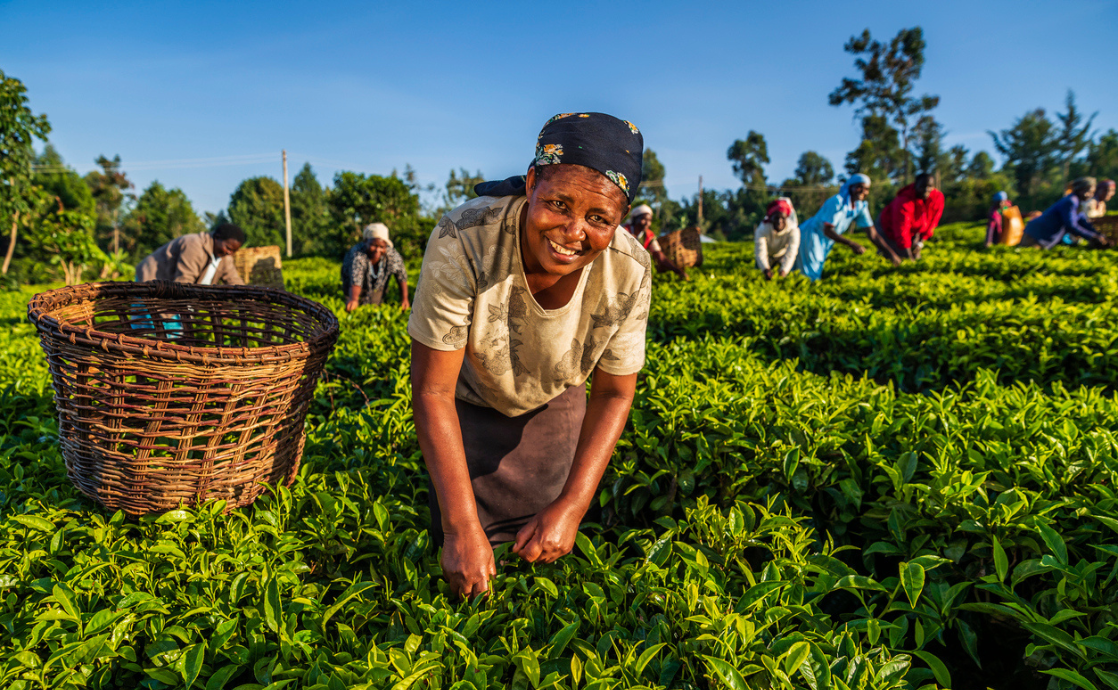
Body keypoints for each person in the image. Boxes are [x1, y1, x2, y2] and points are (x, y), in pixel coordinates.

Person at [408, 112, 651, 599]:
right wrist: (459, 529)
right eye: (558, 203)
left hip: (556, 403)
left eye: (599, 219)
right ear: (533, 181)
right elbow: (433, 390)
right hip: (467, 406)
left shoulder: (629, 270)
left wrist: (573, 506)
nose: (572, 231)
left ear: (620, 220)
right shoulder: (466, 236)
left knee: (544, 565)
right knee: (461, 572)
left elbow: (614, 395)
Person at [795, 174, 884, 281]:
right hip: (810, 236)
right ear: (851, 187)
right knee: (809, 274)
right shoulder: (837, 202)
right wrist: (852, 244)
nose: (863, 191)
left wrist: (890, 253)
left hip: (824, 241)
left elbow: (872, 233)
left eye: (866, 189)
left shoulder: (860, 206)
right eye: (859, 187)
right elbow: (827, 230)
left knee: (813, 269)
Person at [135, 223, 246, 285]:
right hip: (150, 280)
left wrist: (250, 299)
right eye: (228, 248)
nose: (230, 253)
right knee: (150, 322)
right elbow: (184, 281)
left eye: (233, 251)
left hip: (172, 290)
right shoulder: (194, 245)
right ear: (217, 238)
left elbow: (234, 280)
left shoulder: (225, 257)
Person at [1021, 177, 1112, 249]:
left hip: (1042, 236)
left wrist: (1099, 235)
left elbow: (1083, 221)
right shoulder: (1070, 201)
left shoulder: (1078, 203)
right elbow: (1071, 225)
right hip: (1035, 235)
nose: (1091, 195)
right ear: (1082, 190)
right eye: (1090, 192)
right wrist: (1092, 237)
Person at [342, 222, 410, 312]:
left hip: (378, 282)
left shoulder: (392, 255)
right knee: (354, 304)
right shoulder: (358, 254)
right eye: (374, 245)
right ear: (366, 242)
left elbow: (401, 276)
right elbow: (356, 278)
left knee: (375, 305)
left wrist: (404, 299)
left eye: (382, 246)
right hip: (352, 283)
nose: (378, 250)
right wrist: (354, 299)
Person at [877, 173, 945, 261]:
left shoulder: (937, 198)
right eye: (922, 186)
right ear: (915, 185)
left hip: (914, 229)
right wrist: (909, 259)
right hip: (888, 226)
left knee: (915, 254)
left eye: (929, 186)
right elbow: (901, 229)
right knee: (895, 256)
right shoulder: (904, 200)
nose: (926, 189)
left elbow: (933, 221)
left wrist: (921, 242)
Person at [621, 204, 688, 279]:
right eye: (643, 219)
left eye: (649, 220)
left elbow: (660, 256)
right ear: (635, 219)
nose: (647, 223)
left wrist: (677, 270)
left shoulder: (648, 236)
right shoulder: (623, 230)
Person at [754, 198, 800, 280]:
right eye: (776, 218)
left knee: (787, 278)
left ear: (786, 218)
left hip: (782, 256)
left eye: (783, 218)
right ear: (771, 218)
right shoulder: (762, 229)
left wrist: (784, 270)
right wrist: (765, 269)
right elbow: (760, 252)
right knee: (759, 278)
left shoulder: (793, 229)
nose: (779, 221)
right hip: (767, 255)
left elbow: (792, 252)